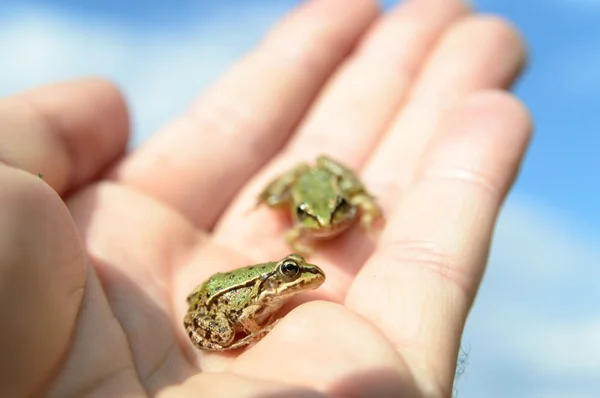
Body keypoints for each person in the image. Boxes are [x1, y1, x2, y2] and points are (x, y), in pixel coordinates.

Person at [0, 0, 531, 396]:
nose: (298, 279)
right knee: (229, 318)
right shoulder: (266, 290)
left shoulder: (303, 245)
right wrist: (256, 329)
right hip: (215, 305)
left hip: (216, 285)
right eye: (292, 273)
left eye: (293, 271)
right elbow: (248, 308)